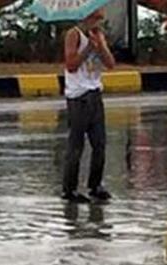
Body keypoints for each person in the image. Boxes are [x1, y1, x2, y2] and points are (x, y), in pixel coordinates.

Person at [62, 7, 116, 203]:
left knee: (100, 144)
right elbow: (71, 64)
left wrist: (100, 47)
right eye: (95, 19)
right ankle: (69, 189)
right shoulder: (73, 35)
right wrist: (88, 49)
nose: (98, 23)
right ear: (86, 17)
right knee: (76, 146)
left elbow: (110, 63)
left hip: (95, 93)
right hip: (79, 96)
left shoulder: (97, 35)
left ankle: (95, 185)